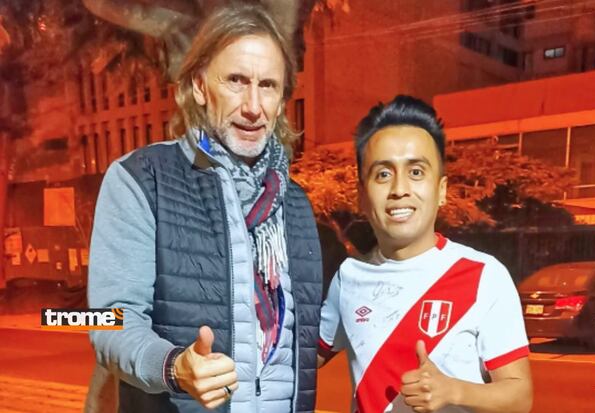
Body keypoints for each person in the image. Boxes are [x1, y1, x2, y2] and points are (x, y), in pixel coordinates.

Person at [87, 3, 323, 413]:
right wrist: (173, 367)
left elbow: (303, 337)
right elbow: (111, 321)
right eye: (236, 81)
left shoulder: (295, 202)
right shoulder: (143, 179)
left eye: (268, 85)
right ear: (199, 86)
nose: (253, 106)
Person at [317, 95, 533, 413]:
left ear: (441, 190)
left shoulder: (485, 275)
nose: (399, 189)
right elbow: (301, 358)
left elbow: (520, 396)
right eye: (383, 174)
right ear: (362, 196)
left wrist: (453, 390)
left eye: (416, 172)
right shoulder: (348, 278)